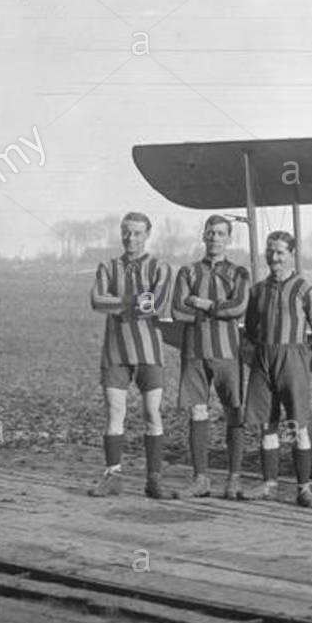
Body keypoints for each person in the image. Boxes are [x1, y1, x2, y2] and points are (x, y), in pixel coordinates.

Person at [88, 212, 173, 499]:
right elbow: (96, 301)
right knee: (115, 413)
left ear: (147, 235)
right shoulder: (108, 266)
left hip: (150, 351)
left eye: (137, 233)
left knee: (152, 413)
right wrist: (135, 300)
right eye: (126, 232)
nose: (130, 238)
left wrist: (118, 303)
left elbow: (156, 304)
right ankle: (113, 476)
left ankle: (154, 480)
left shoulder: (160, 267)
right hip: (116, 351)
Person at [240, 231, 312, 507]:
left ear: (291, 254)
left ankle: (304, 488)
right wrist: (255, 353)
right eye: (270, 251)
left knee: (298, 424)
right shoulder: (258, 290)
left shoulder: (304, 289)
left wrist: (304, 357)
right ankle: (269, 484)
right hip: (264, 357)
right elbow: (250, 328)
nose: (274, 257)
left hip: (293, 358)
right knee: (267, 423)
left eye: (280, 252)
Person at [170, 215, 250, 500]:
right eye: (210, 232)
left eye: (220, 233)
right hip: (194, 352)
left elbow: (238, 307)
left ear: (229, 238)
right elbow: (178, 311)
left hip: (228, 353)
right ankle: (200, 479)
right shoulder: (188, 271)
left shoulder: (239, 272)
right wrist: (219, 310)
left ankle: (233, 479)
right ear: (203, 235)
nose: (215, 238)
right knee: (197, 412)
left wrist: (202, 304)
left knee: (234, 412)